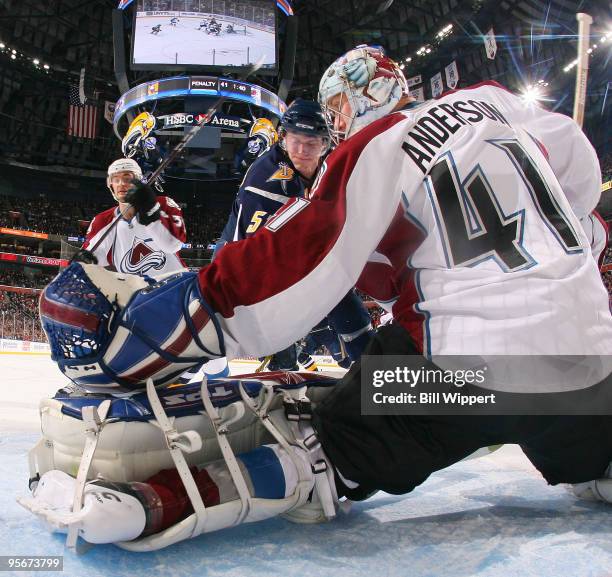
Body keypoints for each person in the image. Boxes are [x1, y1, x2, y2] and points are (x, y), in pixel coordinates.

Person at [26, 45, 612, 546]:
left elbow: (291, 262)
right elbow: (580, 172)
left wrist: (160, 329)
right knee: (581, 438)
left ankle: (151, 502)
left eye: (334, 111)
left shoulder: (377, 146)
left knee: (320, 445)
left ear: (355, 100)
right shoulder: (499, 100)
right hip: (592, 370)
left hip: (463, 376)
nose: (332, 126)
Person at [215, 99, 371, 371]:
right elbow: (255, 253)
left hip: (295, 255)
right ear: (283, 138)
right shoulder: (266, 181)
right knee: (287, 331)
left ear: (326, 144)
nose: (300, 151)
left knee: (344, 308)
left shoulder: (330, 166)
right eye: (294, 141)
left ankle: (368, 370)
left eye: (311, 144)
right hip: (250, 262)